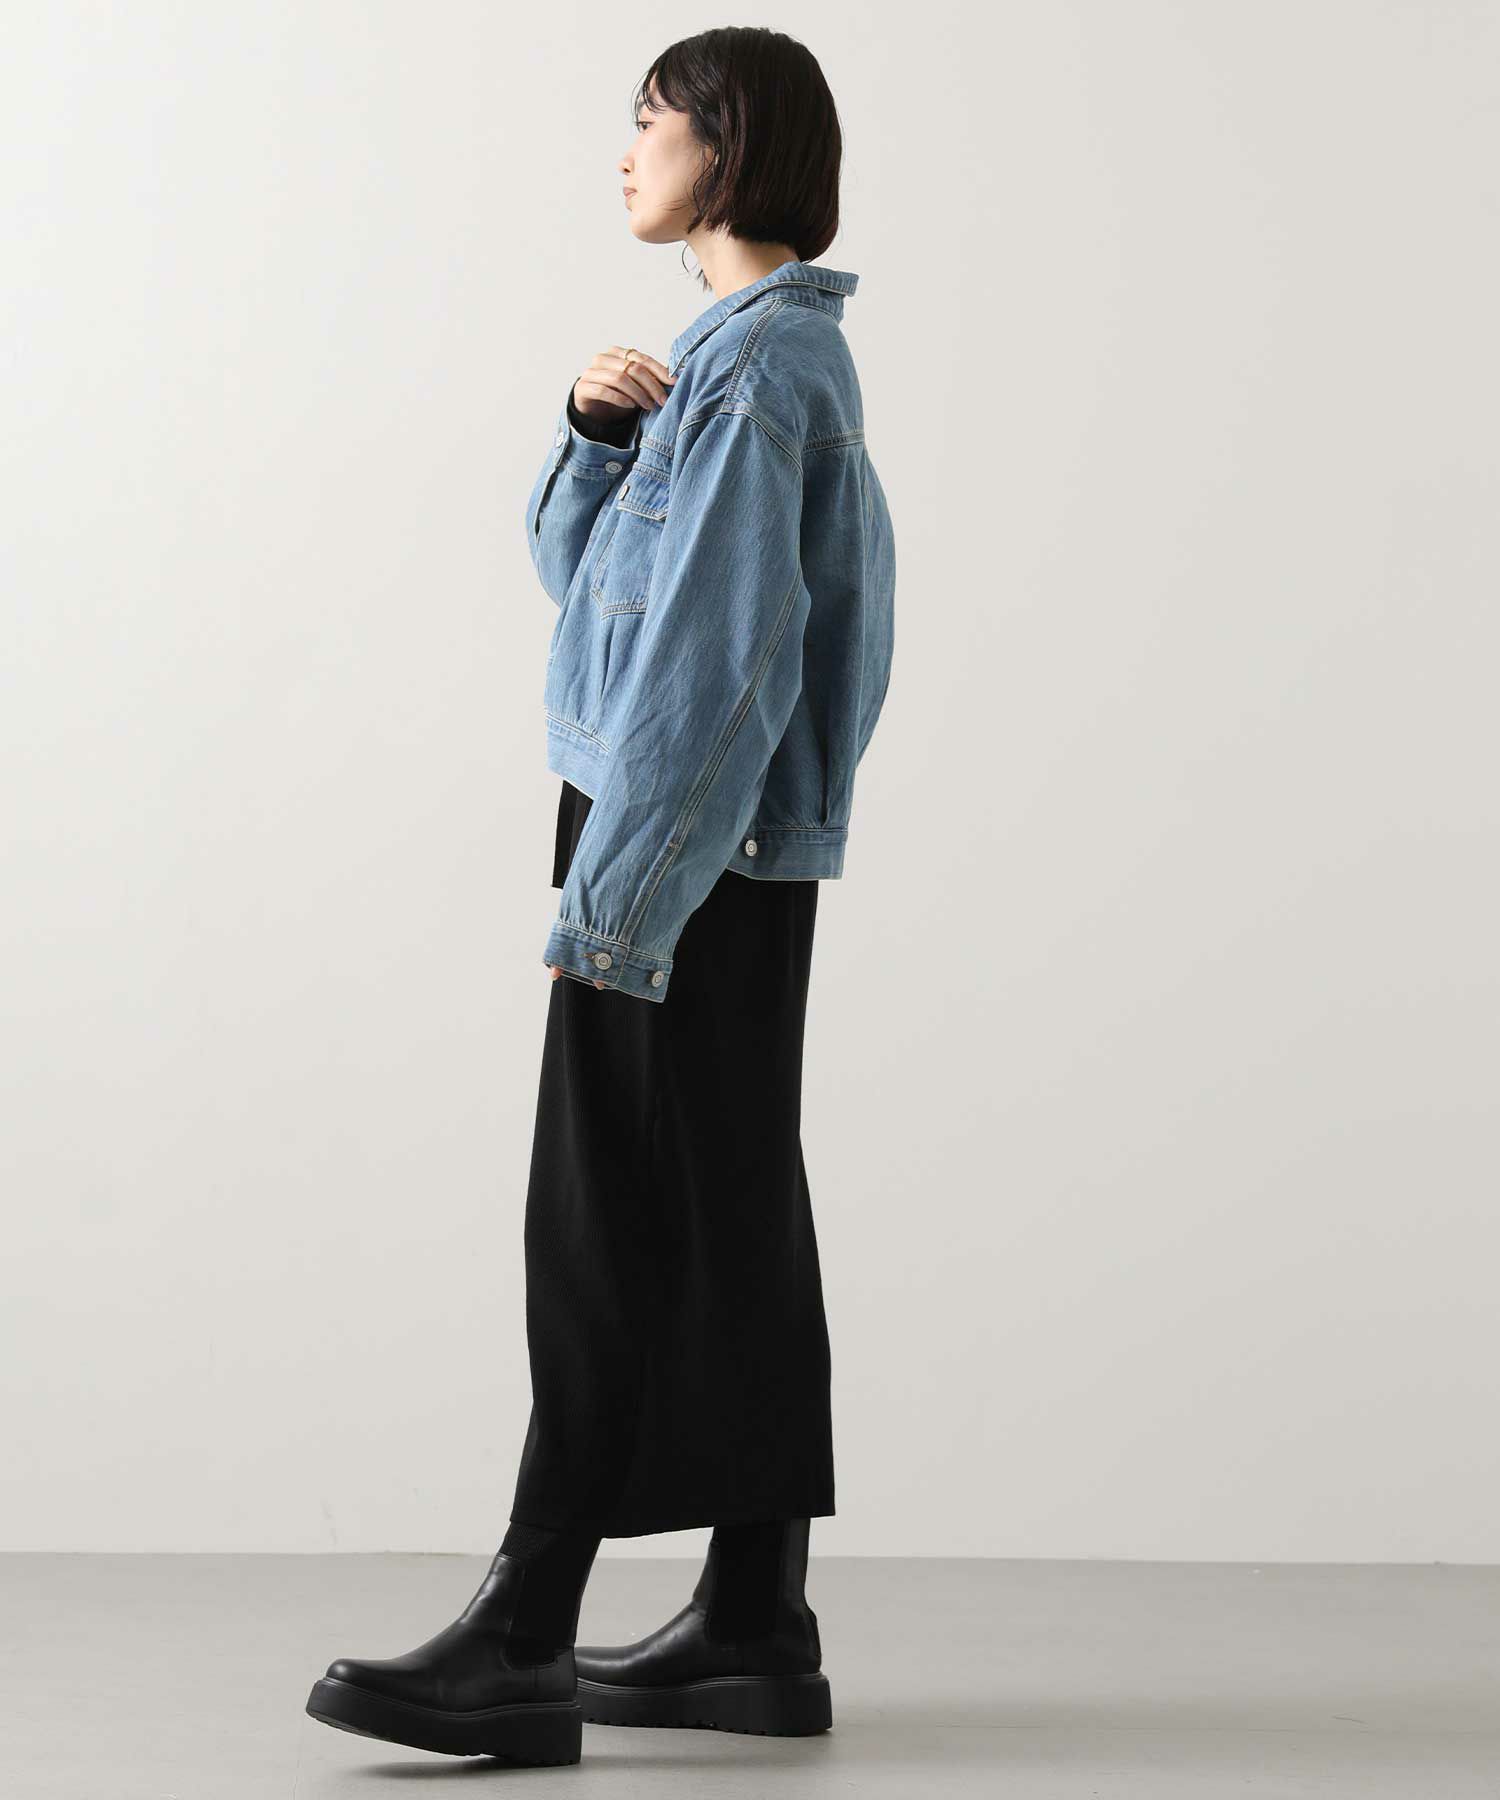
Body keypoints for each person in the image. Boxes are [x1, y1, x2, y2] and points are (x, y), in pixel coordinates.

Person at [306, 25, 895, 1765]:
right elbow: (597, 599)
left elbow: (720, 675)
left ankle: (523, 1634)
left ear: (731, 144)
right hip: (717, 845)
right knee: (725, 1204)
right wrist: (591, 438)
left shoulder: (760, 374)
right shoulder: (745, 363)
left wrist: (619, 904)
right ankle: (754, 1620)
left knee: (604, 1226)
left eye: (651, 122)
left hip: (674, 842)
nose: (625, 152)